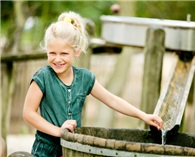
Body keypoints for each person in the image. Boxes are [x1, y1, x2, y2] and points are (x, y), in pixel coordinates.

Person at [23, 11, 163, 157]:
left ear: (76, 52)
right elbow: (28, 113)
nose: (57, 59)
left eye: (63, 53)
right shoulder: (43, 77)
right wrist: (58, 131)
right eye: (52, 53)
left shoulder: (85, 78)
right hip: (45, 151)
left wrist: (143, 116)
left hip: (74, 151)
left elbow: (112, 100)